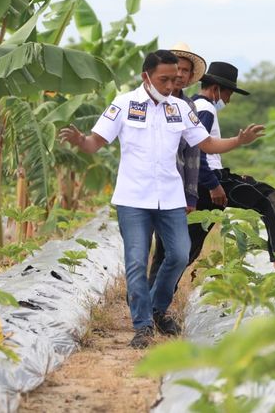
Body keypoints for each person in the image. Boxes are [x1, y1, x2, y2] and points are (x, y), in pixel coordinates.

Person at [59, 50, 263, 348]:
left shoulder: (181, 108)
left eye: (174, 79)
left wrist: (237, 141)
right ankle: (142, 326)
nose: (170, 85)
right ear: (146, 77)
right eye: (163, 79)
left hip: (170, 198)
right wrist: (80, 141)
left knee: (179, 254)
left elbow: (205, 143)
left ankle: (156, 307)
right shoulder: (124, 104)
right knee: (136, 262)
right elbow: (94, 143)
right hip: (133, 198)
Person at [189, 61, 275, 269]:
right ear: (217, 89)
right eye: (229, 95)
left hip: (203, 180)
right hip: (211, 179)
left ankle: (156, 295)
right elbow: (199, 149)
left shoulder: (192, 104)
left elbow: (206, 146)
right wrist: (213, 184)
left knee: (191, 246)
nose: (228, 101)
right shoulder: (206, 109)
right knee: (268, 198)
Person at [148, 43, 206, 289]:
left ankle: (156, 304)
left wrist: (190, 195)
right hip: (146, 186)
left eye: (186, 71)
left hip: (175, 190)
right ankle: (146, 302)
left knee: (170, 251)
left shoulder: (188, 107)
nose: (181, 75)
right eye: (177, 69)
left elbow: (193, 155)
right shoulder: (149, 101)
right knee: (148, 250)